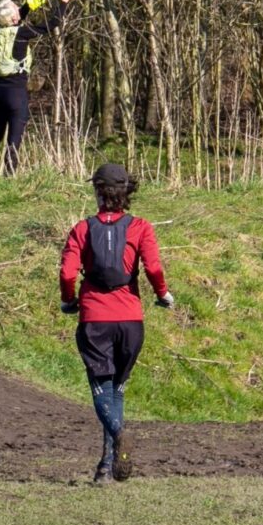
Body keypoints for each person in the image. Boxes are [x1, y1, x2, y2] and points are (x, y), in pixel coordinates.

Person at [61, 164, 172, 484]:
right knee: (118, 391)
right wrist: (164, 295)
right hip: (131, 322)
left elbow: (68, 273)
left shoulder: (82, 229)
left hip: (95, 319)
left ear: (98, 192)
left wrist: (69, 300)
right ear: (127, 193)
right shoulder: (141, 227)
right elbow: (153, 268)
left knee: (100, 389)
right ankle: (106, 468)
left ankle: (119, 435)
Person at [0, 0, 77, 179]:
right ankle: (9, 177)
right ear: (13, 18)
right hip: (15, 94)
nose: (18, 8)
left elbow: (20, 14)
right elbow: (52, 24)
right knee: (14, 139)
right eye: (15, 8)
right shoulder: (21, 34)